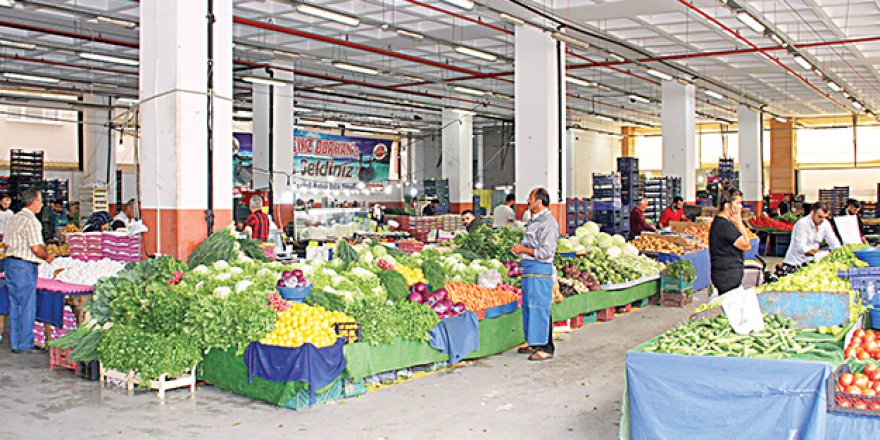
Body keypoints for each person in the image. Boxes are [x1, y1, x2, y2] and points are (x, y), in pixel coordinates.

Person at [3, 189, 54, 353]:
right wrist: (47, 257)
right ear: (33, 202)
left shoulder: (13, 218)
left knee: (15, 304)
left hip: (10, 263)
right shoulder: (31, 221)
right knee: (26, 305)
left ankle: (16, 343)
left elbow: (5, 244)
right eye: (40, 200)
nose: (42, 204)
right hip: (24, 266)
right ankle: (24, 344)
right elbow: (35, 248)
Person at [511, 188, 558, 361]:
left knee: (540, 308)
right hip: (529, 269)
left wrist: (523, 249)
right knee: (530, 307)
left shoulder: (549, 223)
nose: (527, 200)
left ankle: (546, 347)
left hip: (540, 270)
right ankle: (534, 342)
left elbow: (546, 252)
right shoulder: (533, 220)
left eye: (530, 197)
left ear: (539, 201)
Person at [709, 188, 752, 296]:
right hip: (727, 277)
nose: (741, 207)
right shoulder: (724, 226)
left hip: (727, 275)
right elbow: (746, 245)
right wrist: (739, 221)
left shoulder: (723, 223)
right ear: (728, 205)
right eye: (738, 203)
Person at [784, 203, 842, 268]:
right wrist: (822, 253)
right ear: (812, 213)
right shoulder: (802, 224)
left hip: (810, 263)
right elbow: (801, 248)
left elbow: (833, 241)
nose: (822, 220)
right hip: (794, 263)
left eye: (824, 217)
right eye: (819, 217)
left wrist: (839, 253)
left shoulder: (825, 224)